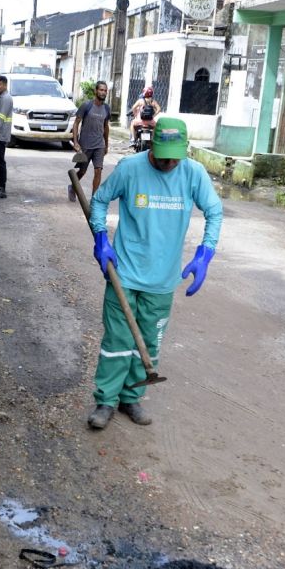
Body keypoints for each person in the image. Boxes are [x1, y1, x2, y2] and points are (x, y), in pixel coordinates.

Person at [86, 117, 222, 430]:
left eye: (175, 157)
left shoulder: (193, 173)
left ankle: (131, 398)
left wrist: (205, 253)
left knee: (149, 341)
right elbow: (100, 200)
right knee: (117, 340)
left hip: (162, 279)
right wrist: (101, 237)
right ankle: (106, 400)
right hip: (124, 273)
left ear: (185, 150)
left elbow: (214, 212)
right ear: (152, 145)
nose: (169, 163)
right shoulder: (130, 168)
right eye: (163, 156)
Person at [70, 80, 111, 202]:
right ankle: (72, 187)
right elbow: (76, 123)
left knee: (98, 170)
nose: (103, 92)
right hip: (86, 144)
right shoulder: (86, 106)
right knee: (82, 171)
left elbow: (106, 127)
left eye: (105, 91)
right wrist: (76, 142)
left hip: (99, 145)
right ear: (95, 91)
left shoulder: (106, 108)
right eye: (101, 90)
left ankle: (94, 199)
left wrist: (106, 145)